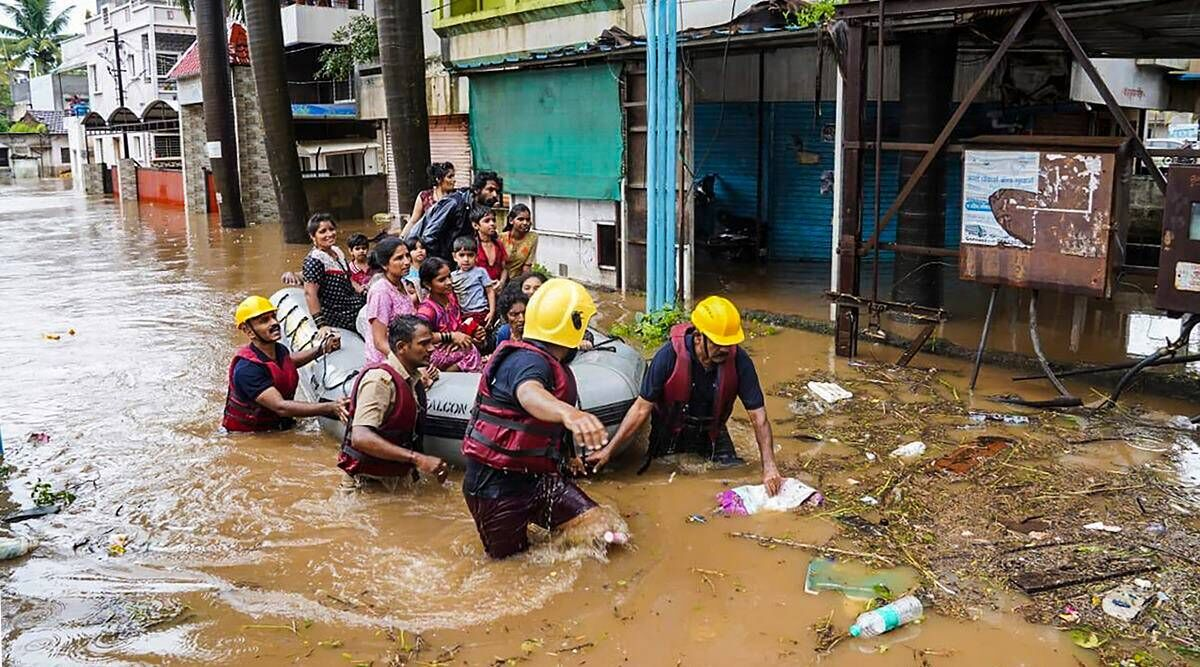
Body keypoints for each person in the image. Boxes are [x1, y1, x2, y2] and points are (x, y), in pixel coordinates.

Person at [461, 278, 611, 559]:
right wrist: (570, 413)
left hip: (537, 479)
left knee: (601, 528)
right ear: (573, 324)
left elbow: (546, 429)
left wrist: (569, 456)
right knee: (511, 565)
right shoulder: (527, 361)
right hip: (495, 486)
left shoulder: (550, 362)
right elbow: (529, 394)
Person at [586, 296, 783, 496]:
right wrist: (609, 451)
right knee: (662, 481)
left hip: (712, 431)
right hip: (669, 430)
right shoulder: (668, 356)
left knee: (732, 474)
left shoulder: (740, 361)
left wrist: (769, 467)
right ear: (699, 337)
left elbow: (759, 418)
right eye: (718, 343)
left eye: (730, 343)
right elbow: (640, 409)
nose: (726, 349)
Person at [339, 315, 449, 486]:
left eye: (431, 342)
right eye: (424, 343)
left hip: (396, 478)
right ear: (402, 347)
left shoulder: (412, 379)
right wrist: (418, 459)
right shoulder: (379, 381)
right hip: (368, 483)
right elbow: (360, 438)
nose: (432, 348)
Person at [223, 295, 349, 432]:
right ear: (248, 331)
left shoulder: (278, 349)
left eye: (273, 317)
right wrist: (331, 407)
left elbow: (286, 364)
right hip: (252, 435)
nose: (274, 323)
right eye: (264, 321)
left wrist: (322, 349)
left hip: (277, 425)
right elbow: (280, 407)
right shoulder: (247, 370)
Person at [411, 171, 503, 261]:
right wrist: (442, 263)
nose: (495, 195)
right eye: (490, 190)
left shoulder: (479, 208)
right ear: (477, 190)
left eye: (497, 191)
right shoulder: (454, 203)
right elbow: (429, 237)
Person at [416, 257, 483, 372]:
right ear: (428, 284)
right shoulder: (427, 310)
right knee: (469, 352)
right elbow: (420, 337)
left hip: (454, 343)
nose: (449, 282)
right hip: (435, 351)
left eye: (449, 277)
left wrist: (473, 331)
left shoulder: (451, 298)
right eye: (442, 280)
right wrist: (451, 337)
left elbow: (457, 325)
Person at [302, 213, 366, 333]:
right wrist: (321, 325)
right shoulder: (315, 260)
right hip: (338, 314)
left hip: (352, 304)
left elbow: (349, 279)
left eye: (331, 229)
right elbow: (310, 293)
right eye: (323, 231)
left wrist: (363, 291)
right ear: (312, 236)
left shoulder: (337, 252)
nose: (329, 234)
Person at [359, 238, 417, 366]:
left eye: (407, 256)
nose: (407, 262)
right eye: (399, 258)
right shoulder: (381, 292)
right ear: (385, 264)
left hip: (404, 352)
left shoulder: (401, 284)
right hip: (387, 361)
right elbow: (379, 342)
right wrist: (406, 365)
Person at [450, 235, 495, 330]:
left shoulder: (480, 272)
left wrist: (492, 311)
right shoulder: (452, 276)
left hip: (481, 312)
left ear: (476, 256)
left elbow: (490, 291)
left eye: (470, 255)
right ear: (454, 257)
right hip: (463, 314)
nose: (466, 259)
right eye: (462, 255)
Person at [401, 162, 455, 239]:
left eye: (453, 176)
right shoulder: (424, 197)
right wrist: (401, 238)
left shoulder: (455, 198)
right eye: (450, 177)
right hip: (428, 240)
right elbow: (413, 221)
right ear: (438, 179)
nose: (454, 180)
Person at [473, 206, 508, 290]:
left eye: (493, 220)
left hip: (498, 289)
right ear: (475, 225)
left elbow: (504, 269)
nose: (492, 223)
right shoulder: (472, 246)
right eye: (487, 221)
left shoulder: (498, 244)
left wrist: (501, 283)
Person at [500, 203, 539, 280]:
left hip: (517, 281)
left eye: (527, 220)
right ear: (511, 220)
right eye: (520, 219)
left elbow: (527, 266)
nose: (525, 223)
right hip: (499, 279)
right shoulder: (501, 238)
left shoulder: (532, 238)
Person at [402, 238, 427, 305]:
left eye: (422, 248)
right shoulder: (407, 272)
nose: (420, 251)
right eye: (415, 249)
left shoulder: (429, 268)